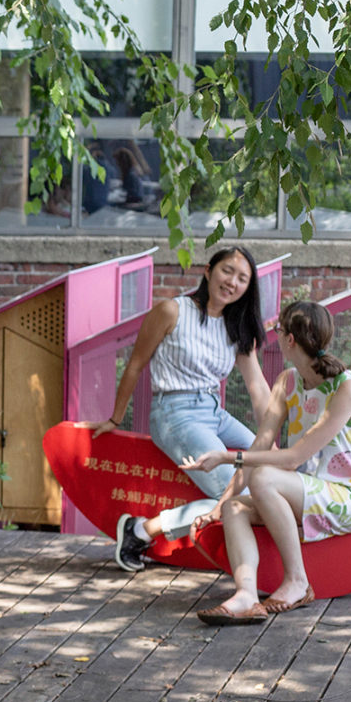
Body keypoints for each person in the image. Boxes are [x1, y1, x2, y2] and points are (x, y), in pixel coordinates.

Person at [187, 301, 351, 625]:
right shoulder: (288, 382)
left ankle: (297, 581)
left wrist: (225, 456)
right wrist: (220, 505)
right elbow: (261, 443)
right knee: (236, 508)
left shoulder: (346, 388)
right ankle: (246, 596)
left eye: (278, 331)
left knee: (264, 478)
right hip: (303, 493)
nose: (275, 337)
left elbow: (294, 457)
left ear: (290, 340)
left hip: (349, 498)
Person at [90, 245, 270, 572]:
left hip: (213, 412)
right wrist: (116, 418)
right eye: (227, 271)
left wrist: (274, 442)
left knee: (272, 467)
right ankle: (141, 531)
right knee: (231, 493)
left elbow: (258, 390)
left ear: (248, 288)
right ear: (208, 270)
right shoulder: (171, 311)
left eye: (242, 278)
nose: (232, 282)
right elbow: (134, 365)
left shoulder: (236, 328)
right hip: (174, 413)